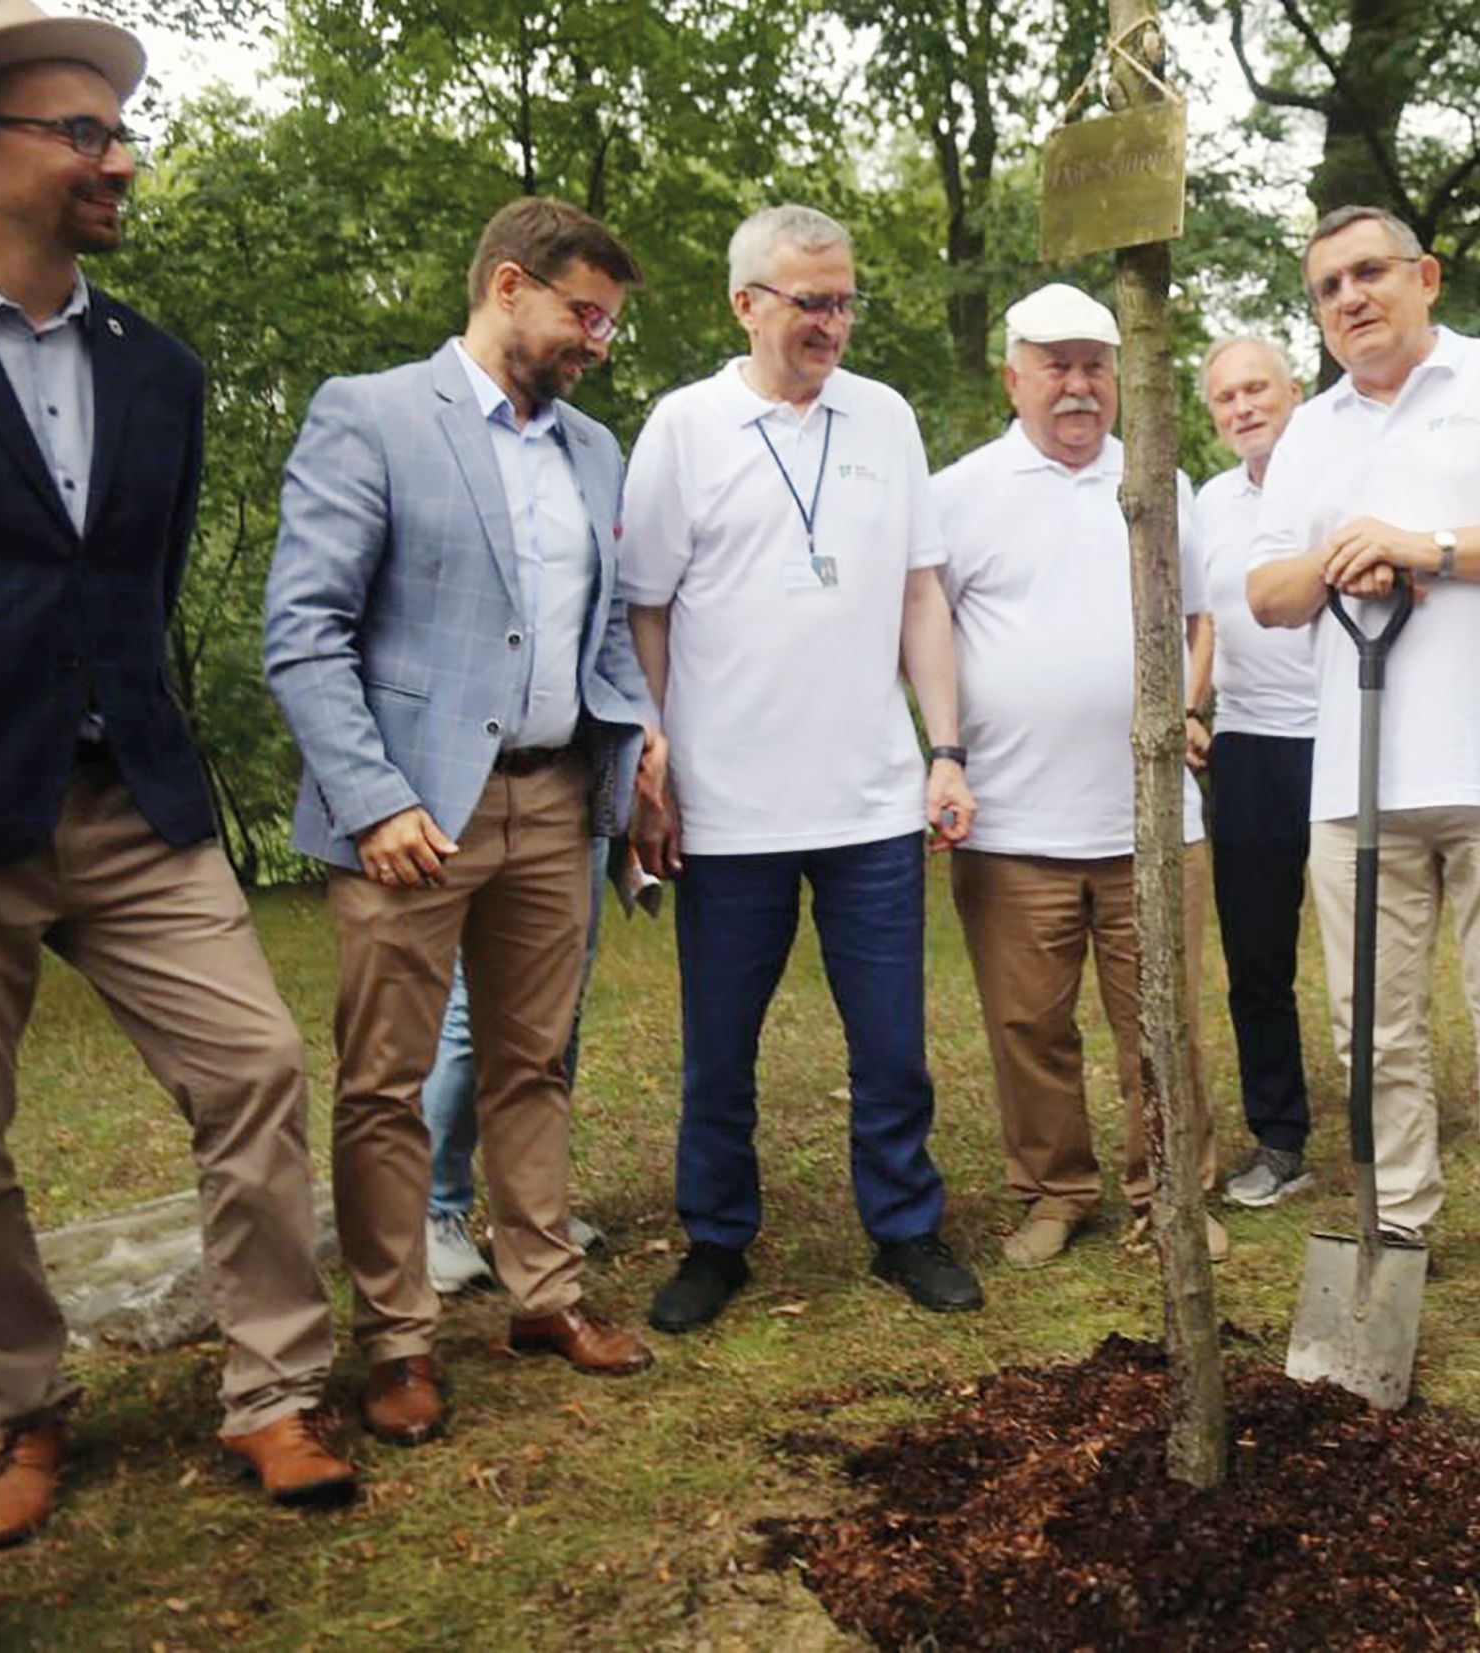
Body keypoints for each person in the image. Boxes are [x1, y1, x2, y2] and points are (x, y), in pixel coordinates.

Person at [0, 1, 355, 1539]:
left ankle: (274, 1391)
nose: (120, 162)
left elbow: (133, 585)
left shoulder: (163, 369)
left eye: (122, 133)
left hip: (134, 796)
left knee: (255, 1067)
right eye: (82, 133)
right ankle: (17, 1408)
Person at [265, 196, 662, 1448]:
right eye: (584, 314)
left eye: (608, 322)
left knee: (532, 1063)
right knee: (384, 1086)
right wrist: (373, 798)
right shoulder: (372, 414)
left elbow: (605, 631)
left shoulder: (594, 450)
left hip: (556, 804)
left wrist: (637, 739)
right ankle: (397, 1341)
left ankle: (545, 1296)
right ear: (507, 286)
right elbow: (306, 631)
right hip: (412, 817)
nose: (598, 341)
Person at [618, 204, 983, 1329]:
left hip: (870, 797)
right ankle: (716, 1240)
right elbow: (645, 609)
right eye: (809, 302)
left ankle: (906, 1228)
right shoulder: (683, 427)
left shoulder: (885, 417)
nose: (831, 323)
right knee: (719, 1049)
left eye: (843, 302)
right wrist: (651, 761)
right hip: (728, 805)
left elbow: (921, 594)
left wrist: (945, 749)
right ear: (745, 304)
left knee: (892, 1042)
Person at [1249, 206, 1480, 1333]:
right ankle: (1397, 1218)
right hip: (1357, 781)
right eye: (1327, 287)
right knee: (1373, 1024)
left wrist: (1427, 549)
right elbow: (1266, 594)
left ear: (1426, 277)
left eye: (1369, 273)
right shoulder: (1309, 432)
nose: (1349, 298)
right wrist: (1339, 557)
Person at [936, 282, 1223, 1270]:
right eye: (1054, 365)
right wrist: (943, 756)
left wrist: (1189, 707)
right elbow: (923, 632)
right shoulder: (959, 493)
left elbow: (1201, 619)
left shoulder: (1156, 483)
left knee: (1163, 1022)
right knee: (1029, 1026)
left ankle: (1170, 1193)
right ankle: (1053, 1192)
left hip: (1152, 821)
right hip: (1013, 823)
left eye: (1094, 366)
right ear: (1012, 378)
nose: (1076, 385)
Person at [1188, 335, 1319, 1208]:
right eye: (1225, 397)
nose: (1242, 407)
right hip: (1248, 747)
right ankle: (1280, 1138)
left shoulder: (1338, 477)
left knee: (1372, 951)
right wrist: (1191, 706)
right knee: (1257, 957)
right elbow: (1207, 621)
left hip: (1345, 741)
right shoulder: (1210, 502)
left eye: (1256, 389)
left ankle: (1388, 1127)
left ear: (1293, 392)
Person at [420, 837, 609, 1295]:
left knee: (561, 1003)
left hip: (577, 811)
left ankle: (531, 1212)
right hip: (487, 811)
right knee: (476, 1004)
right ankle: (434, 1212)